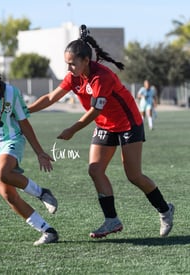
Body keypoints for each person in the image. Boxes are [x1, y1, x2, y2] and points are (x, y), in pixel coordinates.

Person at [29, 25, 174, 238]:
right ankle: (112, 220)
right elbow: (51, 98)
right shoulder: (73, 77)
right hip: (106, 125)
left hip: (128, 123)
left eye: (72, 63)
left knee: (133, 175)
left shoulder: (102, 77)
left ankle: (165, 209)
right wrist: (24, 110)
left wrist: (73, 129)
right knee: (95, 170)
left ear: (86, 61)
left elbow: (96, 109)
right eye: (66, 64)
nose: (69, 68)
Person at [0, 59, 59, 246]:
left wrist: (39, 152)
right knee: (9, 195)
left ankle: (42, 193)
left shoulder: (12, 93)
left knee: (3, 172)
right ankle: (47, 231)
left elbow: (24, 123)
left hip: (11, 140)